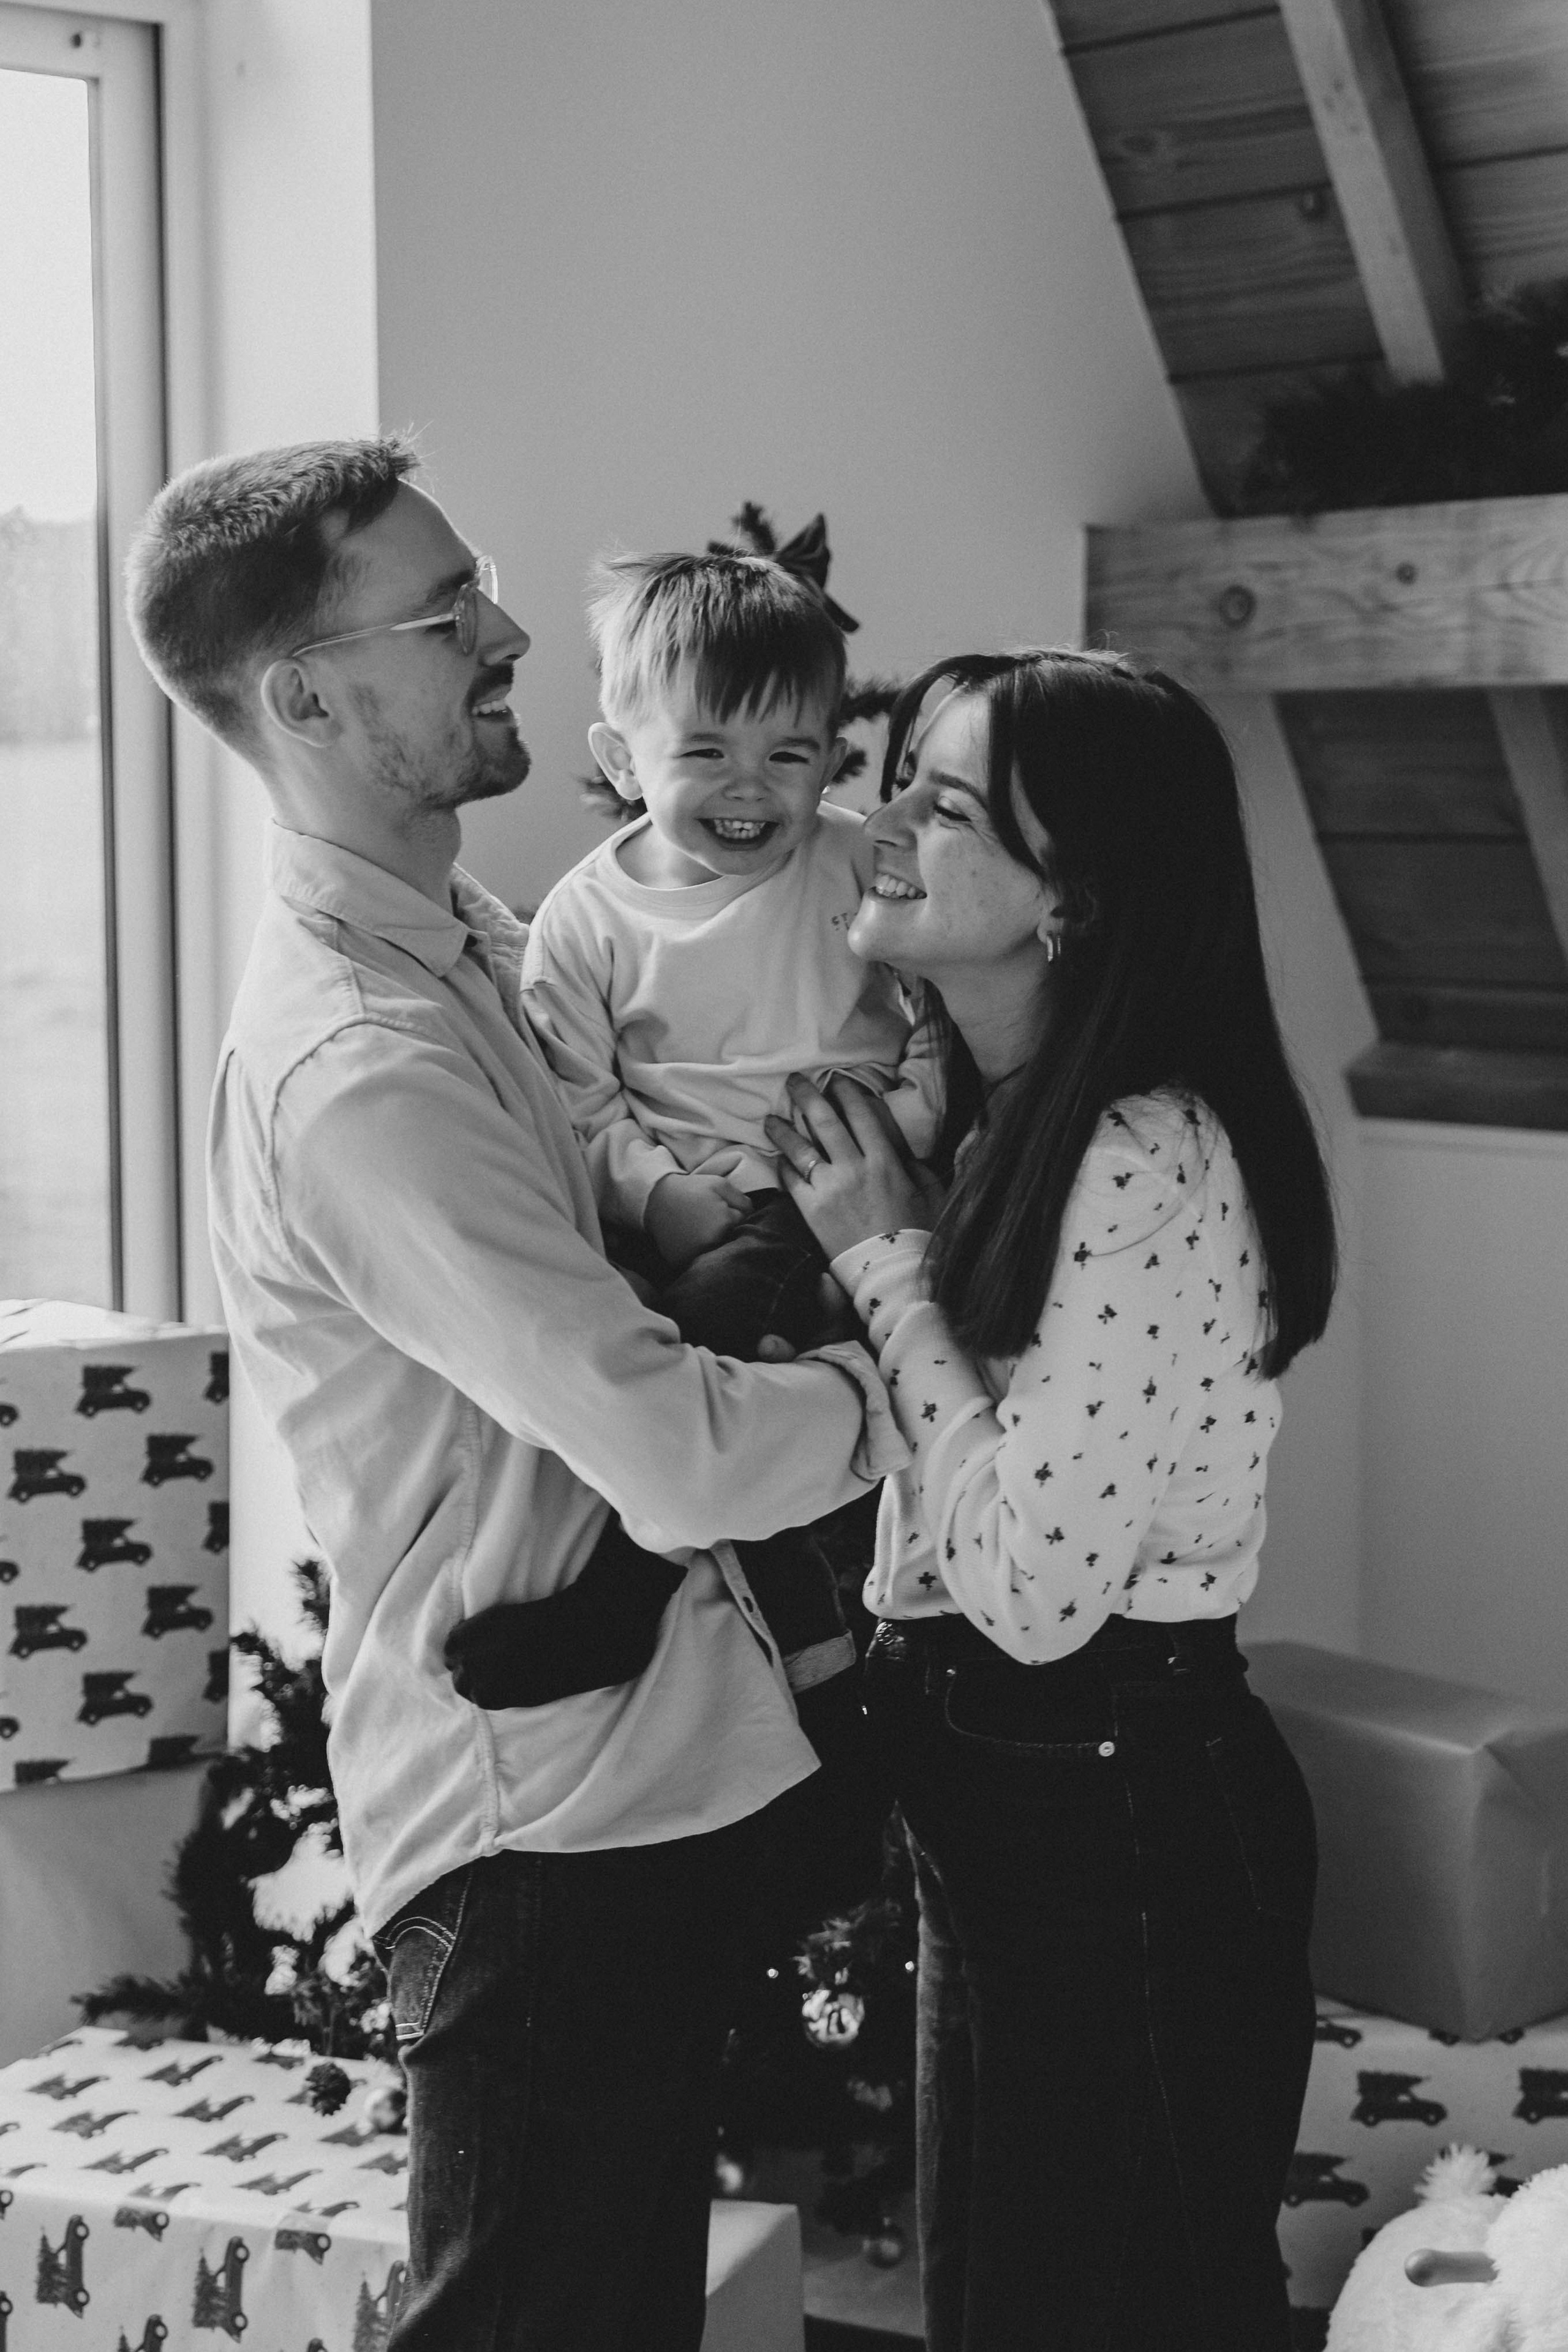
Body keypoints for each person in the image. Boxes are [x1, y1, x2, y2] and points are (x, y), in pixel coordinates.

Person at [124, 435, 907, 2352]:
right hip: (534, 1833)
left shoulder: (488, 943)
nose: (507, 634)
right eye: (444, 613)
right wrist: (921, 1390)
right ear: (308, 700)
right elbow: (674, 1452)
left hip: (639, 1780)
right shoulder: (362, 1067)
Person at [765, 648, 1336, 2352]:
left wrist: (884, 1263)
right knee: (999, 2304)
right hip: (1017, 1805)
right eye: (898, 780)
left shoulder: (1140, 1152)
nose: (879, 823)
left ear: (1072, 901)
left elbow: (1029, 1588)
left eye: (945, 806)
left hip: (1123, 1815)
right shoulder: (997, 1114)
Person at [502, 546, 940, 1763]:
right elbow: (576, 1105)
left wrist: (894, 1135)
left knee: (713, 1346)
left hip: (836, 1191)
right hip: (686, 1212)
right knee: (626, 1358)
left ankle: (623, 1596)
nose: (750, 789)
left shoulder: (856, 868)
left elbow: (939, 1024)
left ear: (830, 758)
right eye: (705, 753)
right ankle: (810, 1657)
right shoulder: (585, 920)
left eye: (788, 756)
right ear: (619, 759)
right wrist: (660, 1195)